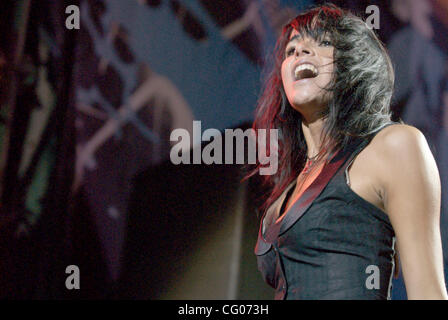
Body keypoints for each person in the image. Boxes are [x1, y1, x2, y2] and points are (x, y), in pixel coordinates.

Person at [250, 3, 448, 299]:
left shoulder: (393, 146)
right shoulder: (286, 192)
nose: (300, 52)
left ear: (353, 64)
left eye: (324, 42)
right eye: (291, 50)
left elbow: (428, 293)